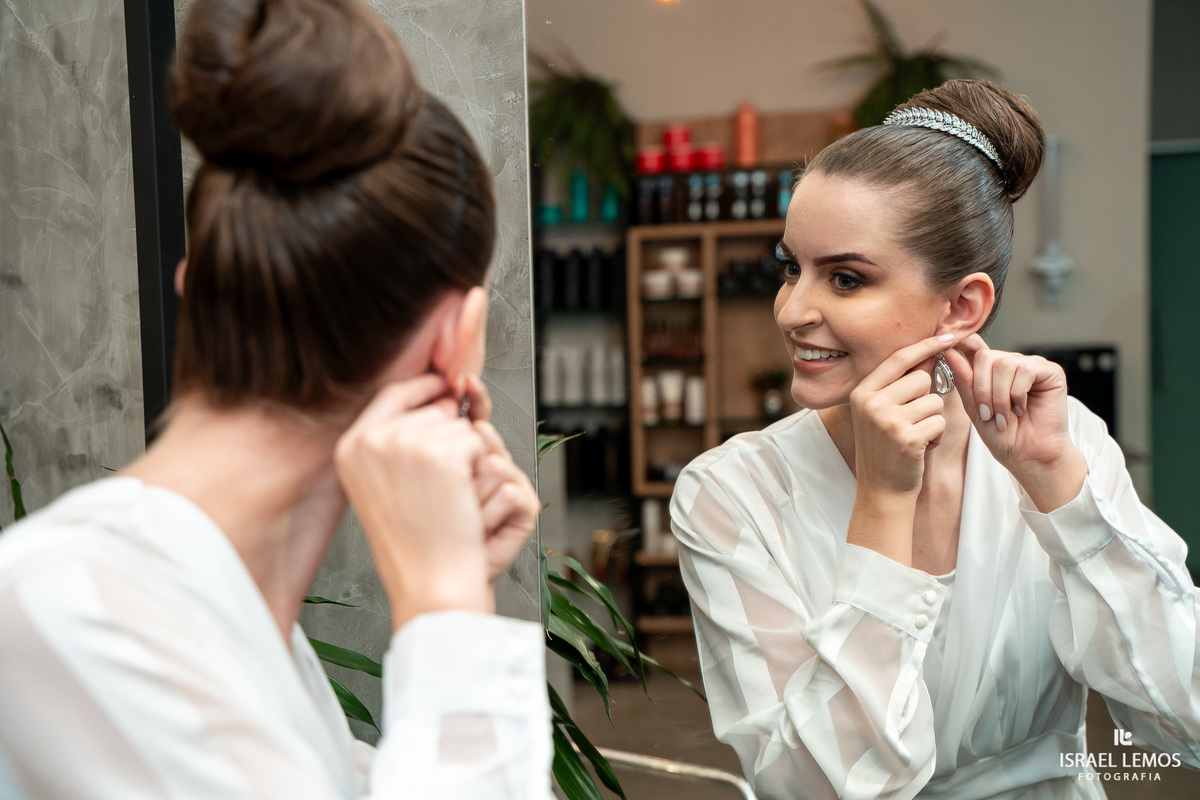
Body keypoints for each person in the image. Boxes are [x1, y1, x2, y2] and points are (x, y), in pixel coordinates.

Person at [0, 0, 549, 797]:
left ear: (197, 288)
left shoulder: (188, 606)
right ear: (456, 340)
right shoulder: (86, 609)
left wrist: (453, 586)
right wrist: (445, 608)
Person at [670, 79, 1200, 799]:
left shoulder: (1063, 442)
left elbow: (1184, 723)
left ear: (962, 306)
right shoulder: (730, 494)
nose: (792, 310)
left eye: (846, 279)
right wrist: (884, 506)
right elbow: (822, 789)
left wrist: (1056, 486)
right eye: (791, 267)